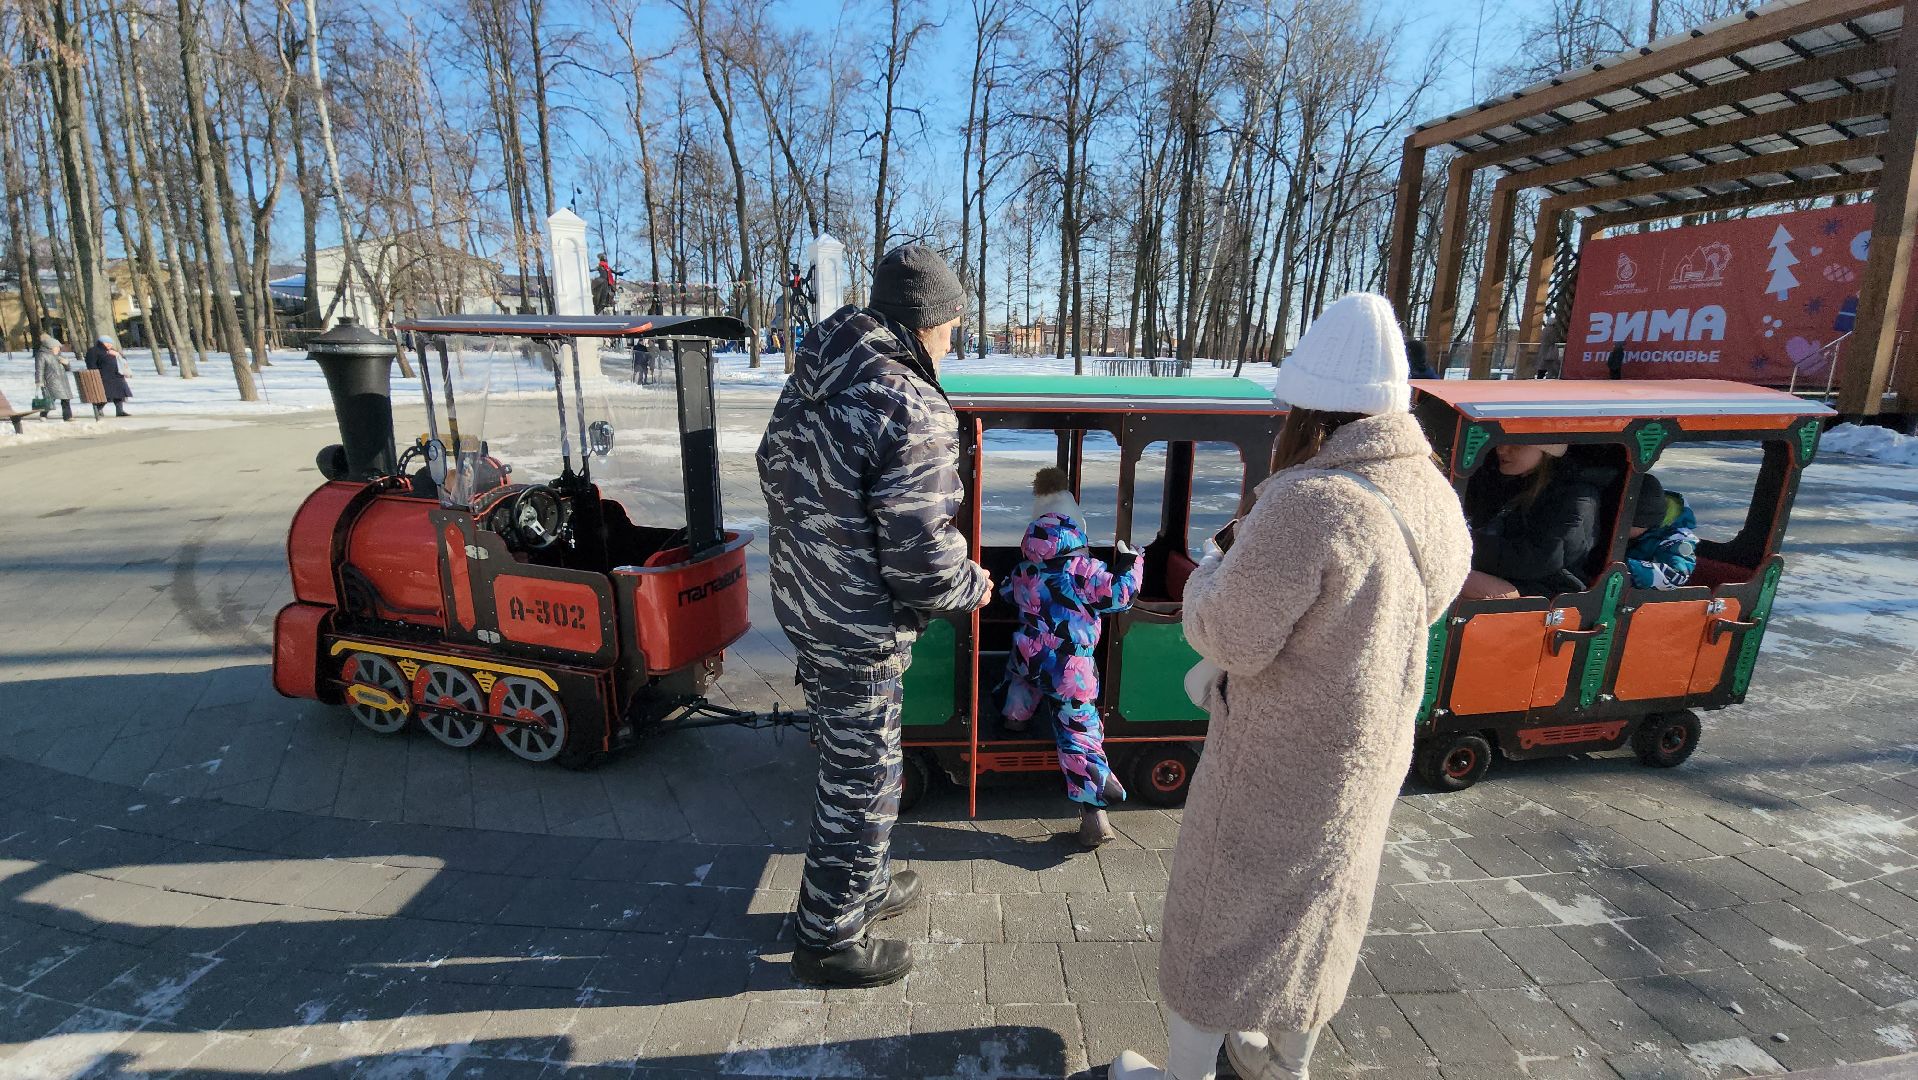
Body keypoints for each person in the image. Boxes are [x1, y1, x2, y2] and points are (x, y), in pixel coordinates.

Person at [1112, 293, 1470, 1080]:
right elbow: (1430, 598)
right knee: (1320, 912)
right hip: (1368, 757)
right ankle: (1279, 1059)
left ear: (1310, 407)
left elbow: (1229, 634)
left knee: (1219, 922)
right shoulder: (1433, 493)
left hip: (1274, 764)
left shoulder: (1310, 503)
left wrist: (1208, 576)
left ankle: (1184, 1072)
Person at [757, 243, 990, 988]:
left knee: (847, 759)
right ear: (931, 322)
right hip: (856, 628)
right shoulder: (909, 402)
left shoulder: (817, 375)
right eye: (954, 323)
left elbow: (779, 472)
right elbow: (921, 556)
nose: (954, 338)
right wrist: (972, 586)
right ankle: (828, 937)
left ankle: (862, 883)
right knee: (864, 781)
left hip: (807, 605)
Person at [996, 467, 1142, 848]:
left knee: (1022, 680)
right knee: (1078, 731)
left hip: (1030, 654)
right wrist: (1133, 564)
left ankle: (1014, 718)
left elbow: (1008, 594)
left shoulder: (1025, 568)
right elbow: (1120, 596)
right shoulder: (1084, 570)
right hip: (1069, 667)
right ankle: (1095, 813)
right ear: (1075, 533)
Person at [1458, 442, 1605, 600]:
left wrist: (1461, 545)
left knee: (1451, 578)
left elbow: (1543, 558)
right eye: (1500, 440)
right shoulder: (1500, 477)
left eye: (1518, 444)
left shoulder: (1578, 496)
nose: (1501, 449)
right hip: (1503, 572)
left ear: (1547, 452)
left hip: (1548, 589)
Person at [1626, 473, 1698, 590]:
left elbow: (1677, 575)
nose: (1621, 529)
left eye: (1627, 525)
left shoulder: (1676, 540)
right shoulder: (1637, 532)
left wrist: (1625, 567)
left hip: (1643, 600)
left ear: (1646, 523)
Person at [85, 335, 132, 417]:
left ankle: (120, 411)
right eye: (106, 343)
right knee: (106, 395)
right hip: (103, 376)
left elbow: (124, 360)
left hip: (117, 375)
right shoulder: (94, 351)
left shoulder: (113, 351)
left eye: (110, 343)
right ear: (101, 342)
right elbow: (91, 363)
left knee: (119, 394)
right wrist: (96, 373)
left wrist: (117, 354)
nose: (109, 345)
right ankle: (99, 409)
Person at [34, 332, 74, 422]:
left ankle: (68, 416)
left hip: (62, 380)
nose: (58, 349)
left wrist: (67, 363)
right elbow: (39, 369)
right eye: (56, 347)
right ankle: (43, 415)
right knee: (50, 399)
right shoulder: (42, 355)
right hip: (50, 381)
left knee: (66, 399)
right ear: (50, 347)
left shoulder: (59, 355)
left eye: (59, 348)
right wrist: (39, 381)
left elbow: (68, 369)